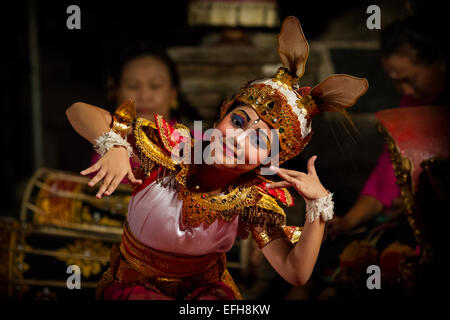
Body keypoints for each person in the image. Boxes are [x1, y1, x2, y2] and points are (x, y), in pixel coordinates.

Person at [66, 16, 368, 300]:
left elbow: (295, 272)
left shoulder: (250, 202)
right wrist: (115, 145)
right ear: (222, 115)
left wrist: (318, 206)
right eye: (237, 122)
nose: (237, 139)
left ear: (269, 159)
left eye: (258, 140)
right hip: (136, 287)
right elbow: (77, 110)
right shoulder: (171, 148)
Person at [327, 14, 448, 241]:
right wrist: (347, 222)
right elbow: (388, 174)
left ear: (440, 61)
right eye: (396, 82)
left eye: (410, 79)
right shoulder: (412, 105)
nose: (405, 90)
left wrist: (424, 203)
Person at [90, 44, 201, 182]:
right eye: (133, 86)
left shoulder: (198, 145)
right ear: (115, 92)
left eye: (155, 86)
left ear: (173, 94)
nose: (144, 96)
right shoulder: (103, 148)